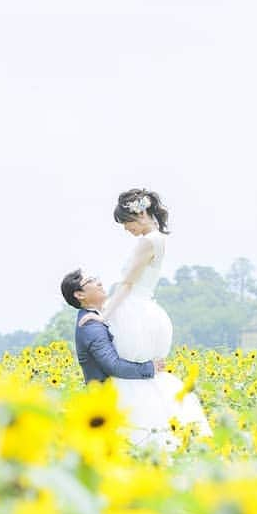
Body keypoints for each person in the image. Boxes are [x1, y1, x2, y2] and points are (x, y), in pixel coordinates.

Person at [78, 188, 212, 448]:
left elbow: (126, 285)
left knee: (126, 376)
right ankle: (164, 428)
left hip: (133, 312)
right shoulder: (159, 239)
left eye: (126, 223)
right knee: (151, 376)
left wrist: (102, 317)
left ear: (139, 213)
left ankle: (134, 435)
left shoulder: (146, 242)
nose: (127, 230)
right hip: (148, 309)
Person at [59, 268, 167, 383]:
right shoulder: (90, 325)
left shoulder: (103, 315)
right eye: (90, 281)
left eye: (96, 279)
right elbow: (113, 366)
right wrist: (150, 368)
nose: (99, 283)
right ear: (80, 294)